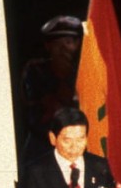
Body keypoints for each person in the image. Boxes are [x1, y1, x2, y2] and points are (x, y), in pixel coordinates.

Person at [20, 15, 82, 155]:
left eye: (68, 42)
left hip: (77, 144)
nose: (63, 49)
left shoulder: (82, 71)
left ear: (77, 44)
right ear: (48, 45)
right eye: (57, 43)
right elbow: (47, 106)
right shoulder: (35, 69)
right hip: (42, 147)